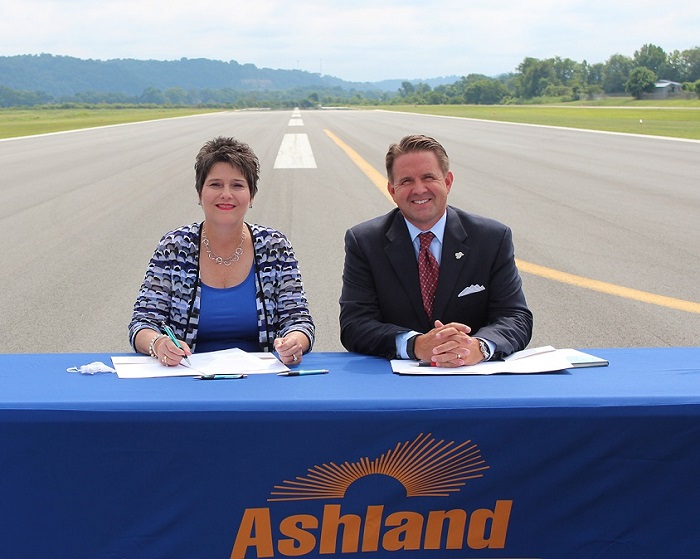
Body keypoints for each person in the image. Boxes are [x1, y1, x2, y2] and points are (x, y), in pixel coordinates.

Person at [339, 134, 532, 367]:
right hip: (395, 383)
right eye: (406, 181)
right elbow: (354, 325)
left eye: (428, 177)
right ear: (392, 190)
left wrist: (479, 347)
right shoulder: (364, 242)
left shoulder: (492, 238)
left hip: (472, 375)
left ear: (448, 182)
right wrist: (415, 345)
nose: (419, 189)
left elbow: (515, 317)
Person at [129, 136, 314, 367]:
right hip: (186, 377)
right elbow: (142, 323)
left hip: (261, 380)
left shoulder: (275, 246)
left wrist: (294, 342)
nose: (226, 194)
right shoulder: (173, 247)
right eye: (215, 184)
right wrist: (158, 343)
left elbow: (299, 321)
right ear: (199, 194)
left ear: (252, 195)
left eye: (237, 185)